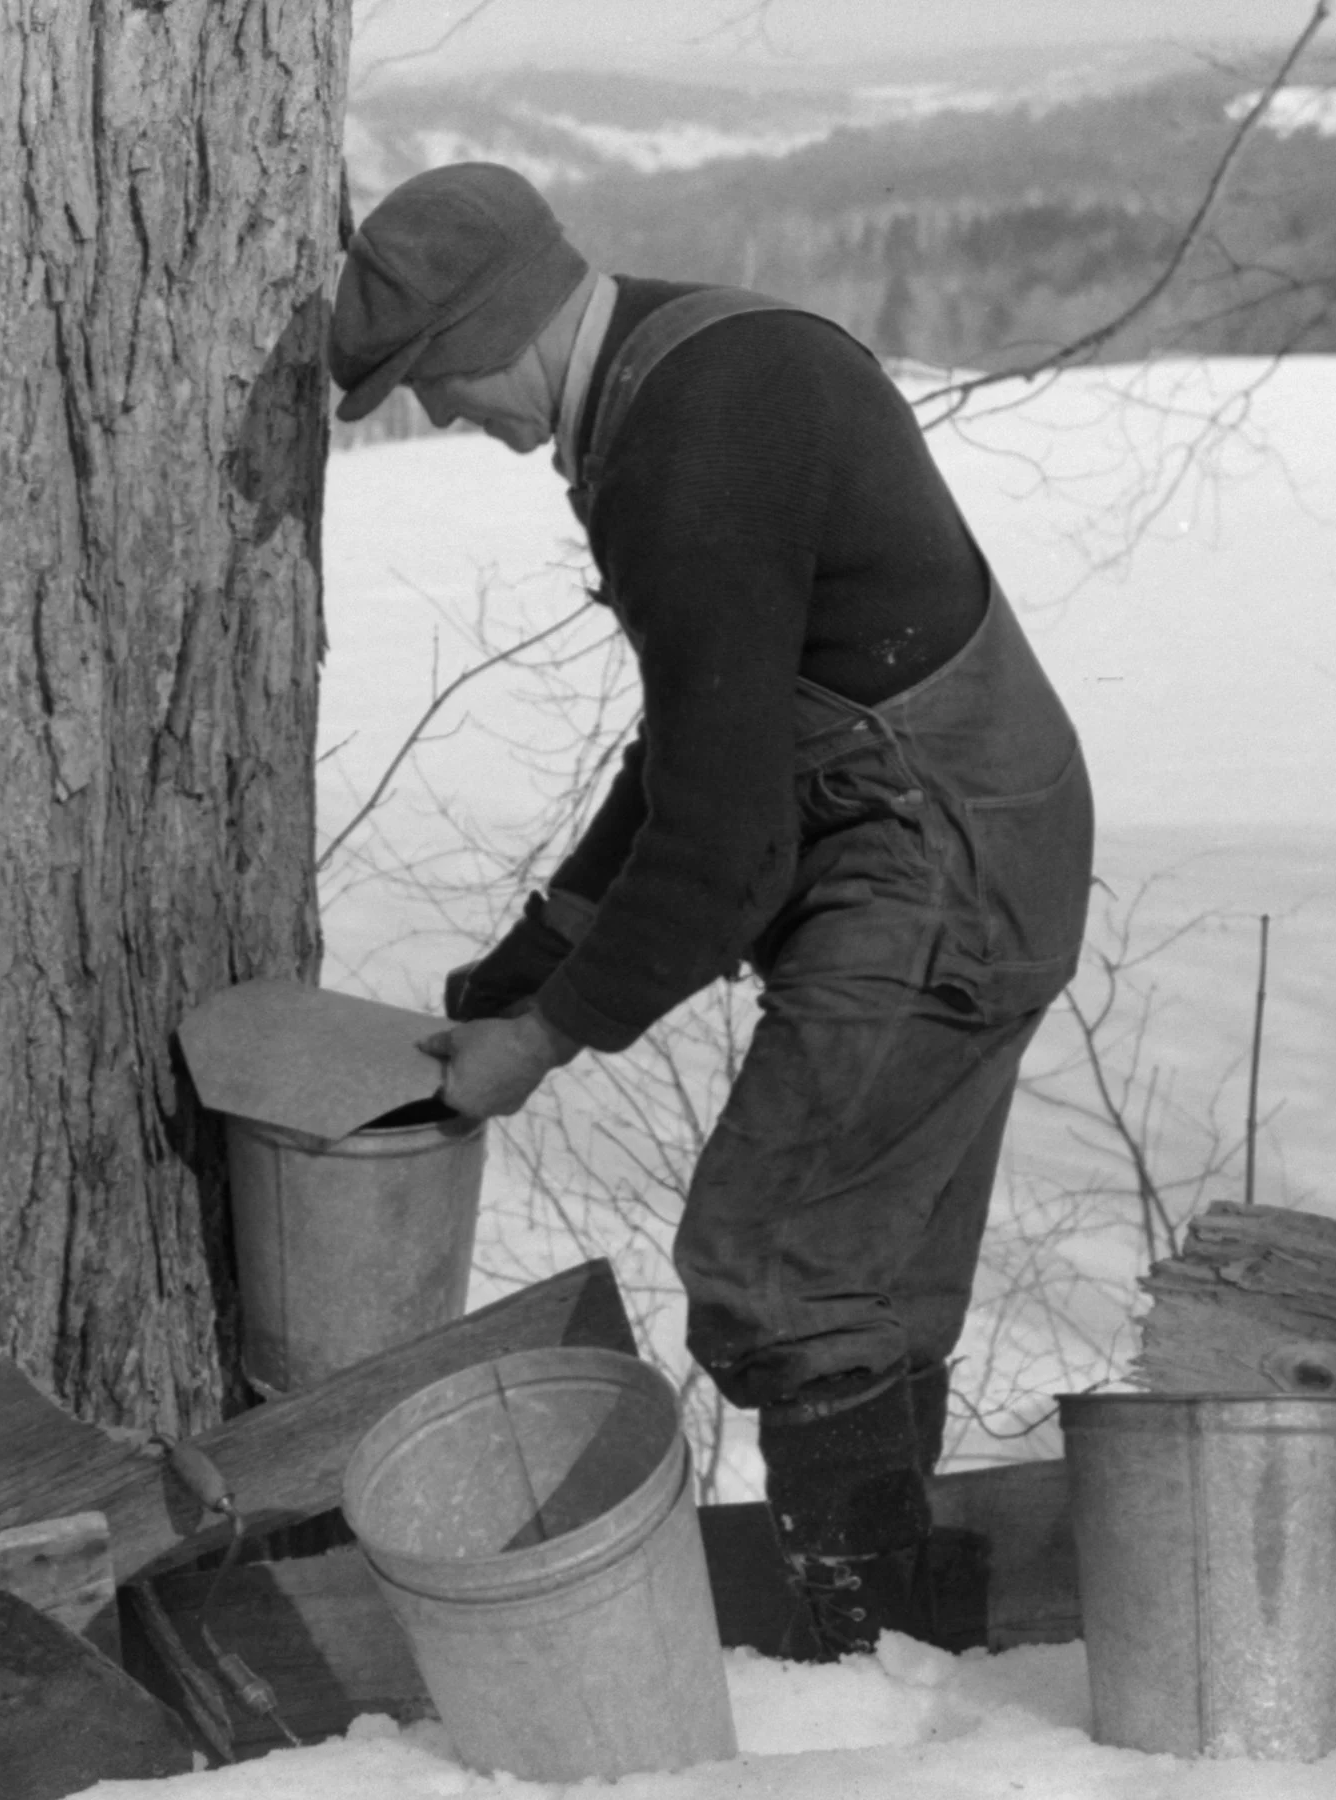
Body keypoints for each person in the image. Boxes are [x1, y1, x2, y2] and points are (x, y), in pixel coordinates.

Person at [327, 163, 1094, 1658]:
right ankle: (906, 1641)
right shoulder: (679, 366)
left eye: (435, 381)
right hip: (946, 824)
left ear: (507, 326)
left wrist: (545, 1036)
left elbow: (729, 839)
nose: (449, 420)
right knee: (857, 1280)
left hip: (939, 850)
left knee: (773, 1260)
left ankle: (860, 1644)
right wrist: (535, 956)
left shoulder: (691, 450)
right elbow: (704, 741)